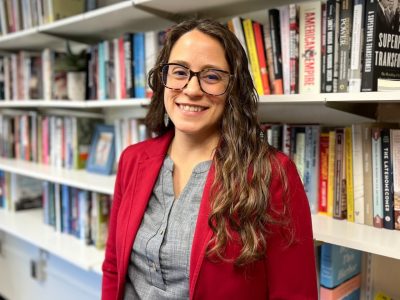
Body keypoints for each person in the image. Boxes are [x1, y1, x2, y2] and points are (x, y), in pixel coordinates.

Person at [101, 19, 317, 300]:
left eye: (212, 76)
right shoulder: (133, 160)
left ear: (233, 90)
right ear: (163, 79)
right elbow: (114, 266)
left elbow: (294, 294)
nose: (191, 89)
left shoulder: (272, 173)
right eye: (179, 72)